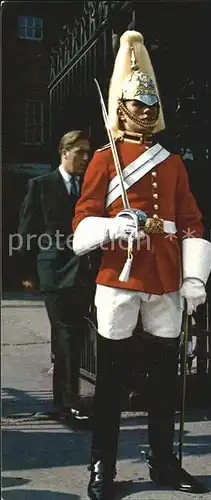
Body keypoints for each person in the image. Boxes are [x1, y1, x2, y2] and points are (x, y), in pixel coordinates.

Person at [72, 31, 211, 499]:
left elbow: (191, 220)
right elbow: (81, 224)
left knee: (163, 384)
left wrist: (193, 277)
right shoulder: (102, 159)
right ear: (122, 108)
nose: (148, 113)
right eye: (139, 105)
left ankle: (163, 462)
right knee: (111, 383)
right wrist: (116, 227)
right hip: (119, 275)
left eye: (153, 106)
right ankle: (103, 467)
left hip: (166, 279)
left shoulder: (172, 163)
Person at [18, 130, 94, 422]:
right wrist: (27, 273)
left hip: (84, 271)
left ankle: (65, 401)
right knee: (66, 334)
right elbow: (26, 231)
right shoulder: (40, 185)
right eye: (80, 152)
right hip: (53, 270)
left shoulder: (90, 185)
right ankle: (69, 402)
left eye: (88, 152)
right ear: (64, 152)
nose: (86, 158)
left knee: (73, 336)